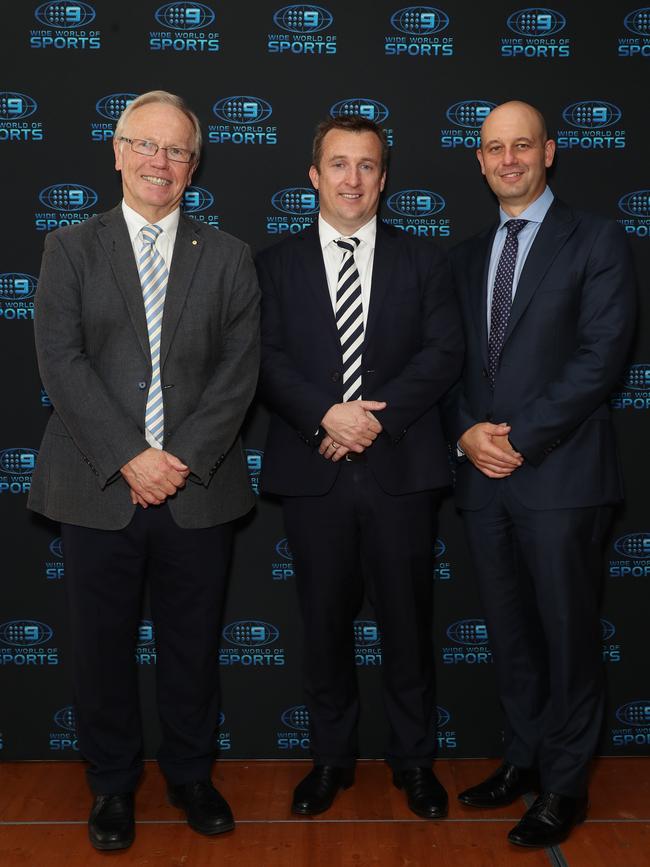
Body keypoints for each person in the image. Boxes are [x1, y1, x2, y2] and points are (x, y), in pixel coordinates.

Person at [28, 90, 260, 851]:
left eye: (178, 151)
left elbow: (238, 371)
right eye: (147, 146)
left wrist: (177, 460)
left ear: (195, 167)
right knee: (101, 647)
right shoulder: (69, 247)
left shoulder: (226, 255)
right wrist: (130, 455)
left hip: (197, 485)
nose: (161, 162)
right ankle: (112, 787)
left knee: (193, 645)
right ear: (118, 151)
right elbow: (61, 362)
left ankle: (192, 775)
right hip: (97, 484)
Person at [256, 115, 463, 819]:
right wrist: (327, 415)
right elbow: (266, 359)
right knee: (322, 627)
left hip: (401, 471)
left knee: (408, 626)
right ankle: (330, 761)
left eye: (367, 166)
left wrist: (371, 419)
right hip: (315, 473)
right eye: (338, 165)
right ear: (313, 176)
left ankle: (414, 762)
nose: (353, 179)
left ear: (384, 177)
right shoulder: (272, 264)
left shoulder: (425, 260)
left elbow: (442, 352)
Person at [447, 100, 636, 848]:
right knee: (511, 635)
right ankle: (522, 759)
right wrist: (466, 433)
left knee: (567, 636)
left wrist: (515, 438)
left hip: (561, 478)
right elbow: (446, 363)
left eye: (522, 145)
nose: (509, 159)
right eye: (495, 148)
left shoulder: (598, 239)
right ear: (481, 160)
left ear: (549, 151)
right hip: (482, 481)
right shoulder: (464, 257)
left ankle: (564, 784)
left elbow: (600, 359)